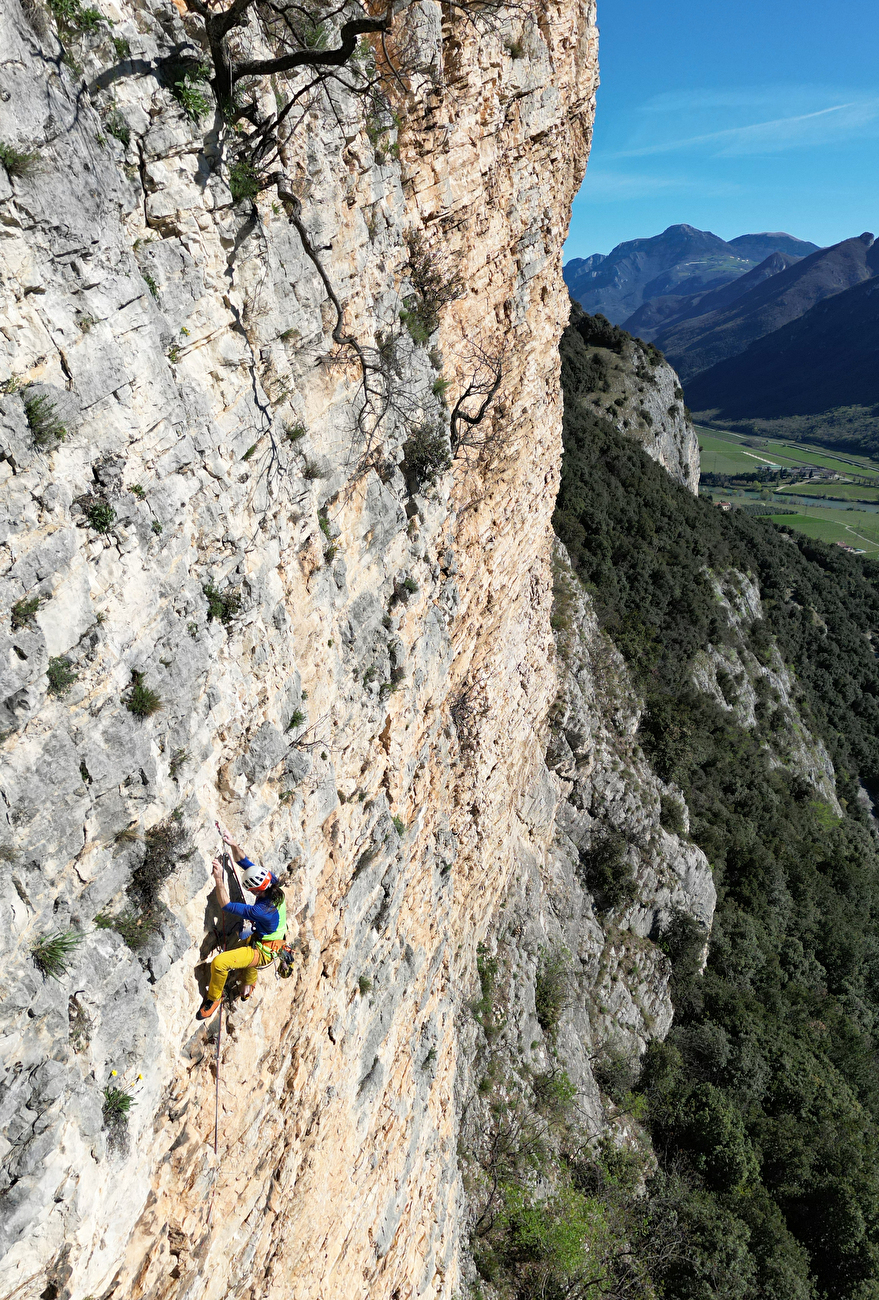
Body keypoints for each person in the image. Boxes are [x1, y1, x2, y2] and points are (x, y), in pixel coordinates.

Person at [196, 828, 287, 1021]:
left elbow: (226, 904)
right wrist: (233, 844)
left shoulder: (260, 911)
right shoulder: (272, 882)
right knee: (249, 952)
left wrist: (219, 878)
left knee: (220, 963)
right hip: (270, 939)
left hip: (264, 950)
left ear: (256, 892)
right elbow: (245, 864)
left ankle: (213, 998)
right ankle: (248, 985)